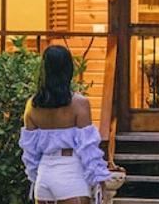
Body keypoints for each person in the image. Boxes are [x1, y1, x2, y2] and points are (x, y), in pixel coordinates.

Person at [20, 45, 111, 204]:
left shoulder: (32, 105)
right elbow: (88, 148)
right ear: (68, 70)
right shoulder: (79, 103)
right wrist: (99, 180)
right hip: (71, 175)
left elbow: (30, 153)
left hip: (43, 176)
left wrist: (36, 177)